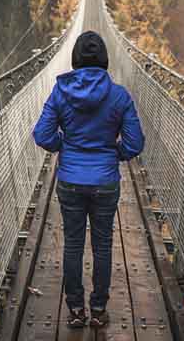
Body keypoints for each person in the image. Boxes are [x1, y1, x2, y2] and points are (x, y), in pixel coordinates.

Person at [32, 30, 145, 329]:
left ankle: (75, 311)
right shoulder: (119, 96)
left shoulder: (60, 93)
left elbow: (42, 135)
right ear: (105, 59)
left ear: (76, 59)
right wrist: (112, 153)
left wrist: (65, 148)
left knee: (72, 244)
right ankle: (97, 310)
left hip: (70, 179)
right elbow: (134, 144)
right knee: (103, 246)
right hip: (105, 181)